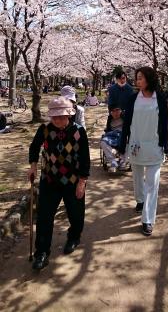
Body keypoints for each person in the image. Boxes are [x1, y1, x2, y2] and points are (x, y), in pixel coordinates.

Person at [28, 96, 90, 270]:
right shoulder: (44, 129)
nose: (57, 119)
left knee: (76, 214)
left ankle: (74, 237)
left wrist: (82, 182)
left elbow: (85, 159)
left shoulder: (79, 131)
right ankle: (41, 252)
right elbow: (34, 147)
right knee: (44, 217)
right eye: (54, 116)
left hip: (73, 180)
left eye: (61, 116)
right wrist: (33, 166)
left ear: (69, 115)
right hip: (50, 180)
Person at [118, 66, 168, 237]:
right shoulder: (133, 98)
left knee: (152, 183)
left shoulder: (160, 99)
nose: (137, 80)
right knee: (137, 177)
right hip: (136, 146)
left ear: (149, 79)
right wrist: (122, 143)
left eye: (140, 78)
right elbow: (126, 124)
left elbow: (164, 124)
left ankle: (147, 219)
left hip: (154, 146)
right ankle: (140, 201)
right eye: (137, 78)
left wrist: (166, 145)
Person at [100, 104, 126, 172]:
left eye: (117, 110)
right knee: (103, 142)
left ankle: (123, 161)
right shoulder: (110, 118)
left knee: (129, 140)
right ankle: (113, 162)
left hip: (123, 136)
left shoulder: (125, 117)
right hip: (112, 136)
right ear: (110, 112)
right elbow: (108, 129)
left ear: (121, 110)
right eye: (113, 111)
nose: (115, 113)